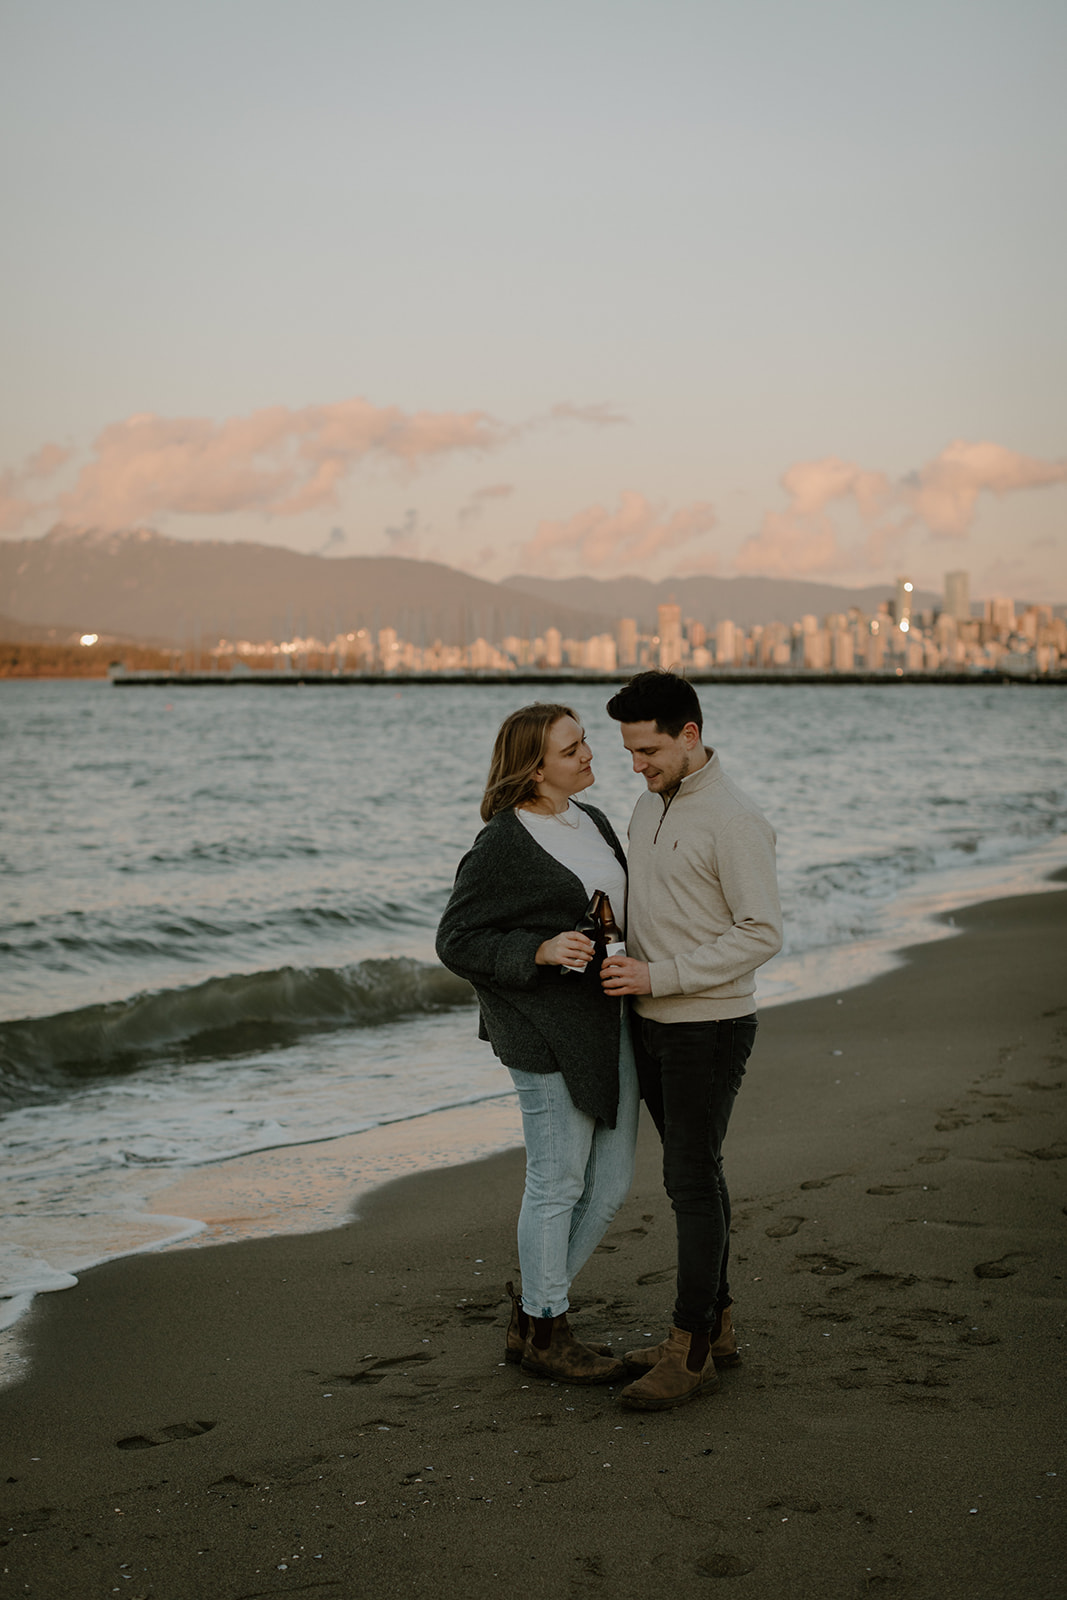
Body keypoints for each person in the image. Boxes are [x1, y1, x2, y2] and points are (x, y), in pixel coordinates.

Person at [436, 703, 638, 1385]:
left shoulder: (594, 820)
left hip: (612, 1018)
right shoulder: (502, 842)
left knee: (608, 1187)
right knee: (558, 1182)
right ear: (534, 769)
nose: (589, 755)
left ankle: (532, 1316)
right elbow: (455, 940)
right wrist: (539, 949)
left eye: (584, 742)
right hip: (544, 1031)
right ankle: (547, 1329)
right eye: (571, 749)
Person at [601, 671, 782, 1411]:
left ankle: (692, 1348)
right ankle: (717, 1328)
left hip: (708, 1027)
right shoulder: (650, 803)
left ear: (689, 735)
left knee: (689, 1180)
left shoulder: (734, 819)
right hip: (650, 1023)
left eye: (647, 751)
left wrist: (661, 975)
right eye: (627, 752)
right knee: (695, 1175)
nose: (635, 766)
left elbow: (762, 931)